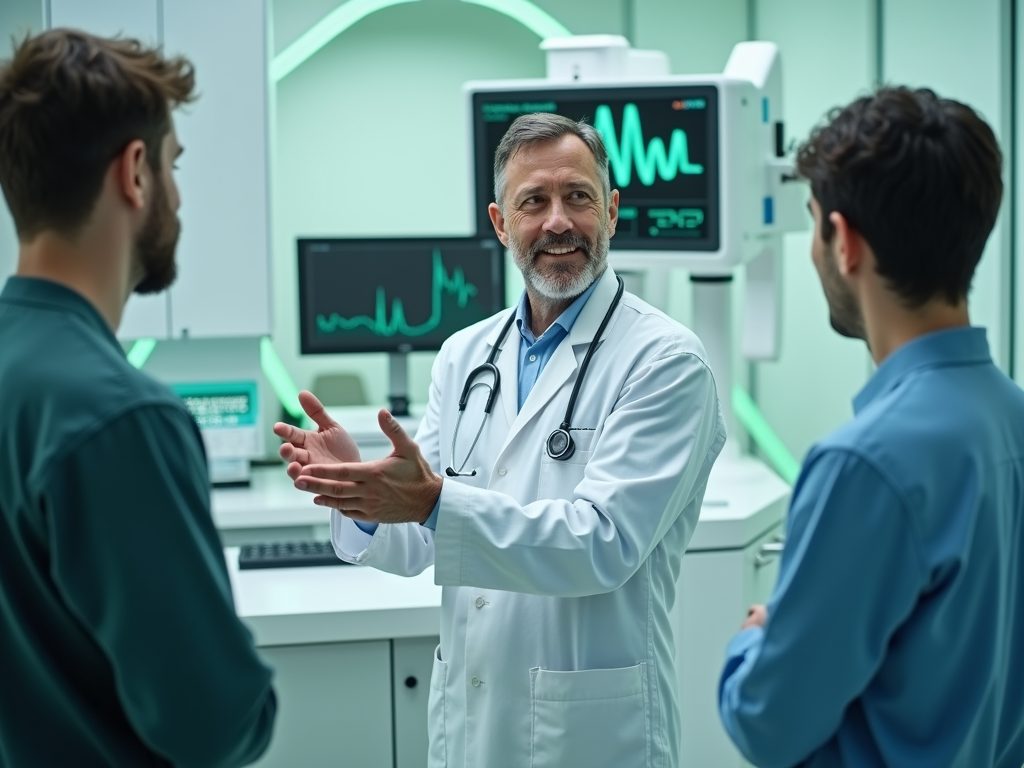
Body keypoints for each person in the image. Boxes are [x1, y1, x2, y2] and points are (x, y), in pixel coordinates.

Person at [274, 112, 726, 767]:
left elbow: (602, 545)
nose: (557, 222)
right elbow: (422, 540)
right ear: (500, 223)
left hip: (591, 732)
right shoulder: (465, 355)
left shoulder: (664, 361)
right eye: (533, 202)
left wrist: (431, 502)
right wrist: (361, 494)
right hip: (472, 716)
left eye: (578, 197)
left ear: (613, 210)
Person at [718, 86, 1024, 768]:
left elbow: (769, 724)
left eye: (812, 226)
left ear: (843, 241)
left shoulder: (865, 464)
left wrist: (754, 642)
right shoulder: (1012, 420)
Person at [0, 30, 276, 767]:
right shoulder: (118, 416)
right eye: (173, 164)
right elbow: (216, 723)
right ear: (134, 172)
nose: (179, 195)